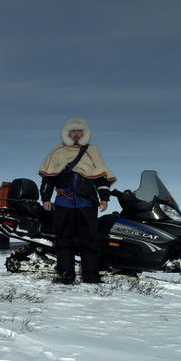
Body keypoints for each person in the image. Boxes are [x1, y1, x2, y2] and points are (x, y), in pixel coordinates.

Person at [39, 118, 116, 284]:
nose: (76, 134)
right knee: (64, 239)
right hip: (64, 202)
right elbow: (48, 179)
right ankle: (66, 274)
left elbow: (102, 178)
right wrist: (45, 198)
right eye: (72, 131)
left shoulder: (92, 151)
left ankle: (91, 275)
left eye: (79, 131)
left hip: (87, 203)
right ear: (66, 133)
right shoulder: (57, 152)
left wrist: (104, 198)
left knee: (90, 239)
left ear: (84, 133)